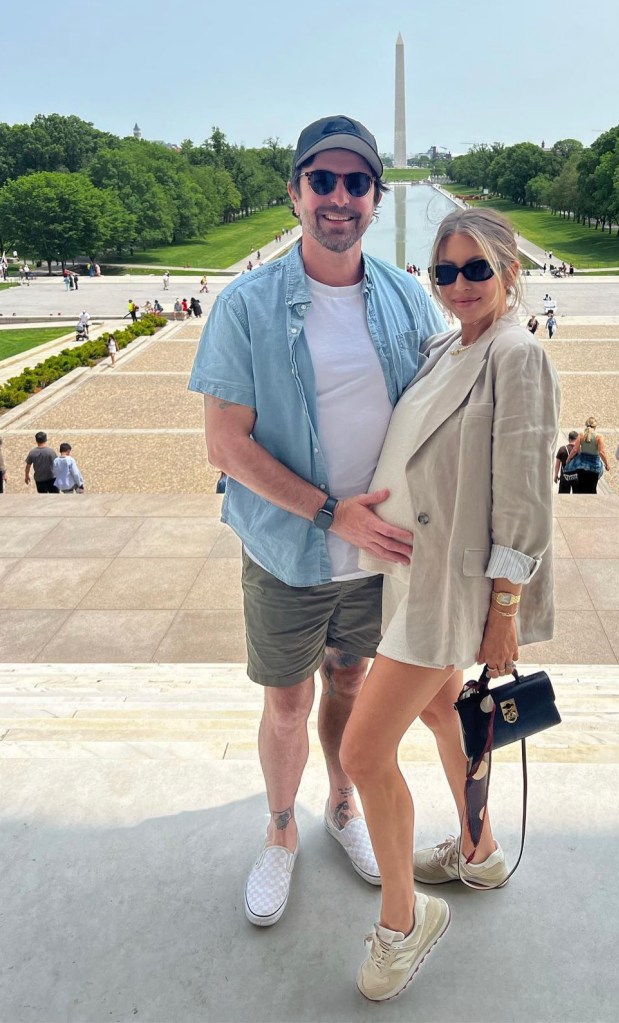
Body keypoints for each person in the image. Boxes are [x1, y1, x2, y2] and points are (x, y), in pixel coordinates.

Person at [188, 115, 446, 935]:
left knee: (350, 685)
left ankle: (340, 804)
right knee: (288, 703)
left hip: (382, 557)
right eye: (322, 181)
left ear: (375, 197)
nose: (339, 198)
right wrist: (336, 513)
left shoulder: (408, 297)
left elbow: (446, 416)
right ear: (296, 191)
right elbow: (224, 443)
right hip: (289, 548)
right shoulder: (245, 304)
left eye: (355, 183)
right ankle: (278, 828)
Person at [340, 207, 560, 1001]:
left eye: (475, 269)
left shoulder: (515, 354)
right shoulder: (447, 343)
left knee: (363, 753)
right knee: (442, 714)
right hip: (411, 573)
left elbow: (528, 495)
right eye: (444, 271)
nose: (458, 284)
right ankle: (480, 850)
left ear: (508, 269)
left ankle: (404, 923)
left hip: (452, 589)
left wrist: (504, 608)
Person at [564, 416, 609, 493]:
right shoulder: (599, 437)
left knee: (580, 488)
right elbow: (601, 452)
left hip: (581, 464)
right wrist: (607, 464)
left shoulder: (581, 435)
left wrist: (568, 460)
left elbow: (575, 449)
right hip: (594, 466)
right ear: (595, 426)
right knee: (592, 489)